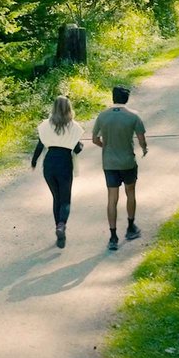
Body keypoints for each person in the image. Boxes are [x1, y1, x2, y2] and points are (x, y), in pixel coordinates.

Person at [91, 85, 147, 250]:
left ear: (113, 97)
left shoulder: (102, 116)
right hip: (127, 162)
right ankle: (130, 227)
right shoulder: (133, 116)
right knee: (130, 193)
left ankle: (113, 236)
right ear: (126, 99)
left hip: (109, 163)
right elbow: (141, 139)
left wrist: (106, 147)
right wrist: (144, 149)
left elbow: (94, 139)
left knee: (112, 198)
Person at [30, 95, 86, 248]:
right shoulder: (73, 126)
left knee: (56, 197)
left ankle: (58, 229)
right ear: (69, 108)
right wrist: (80, 146)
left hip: (49, 164)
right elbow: (77, 149)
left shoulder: (45, 125)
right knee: (65, 199)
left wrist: (34, 162)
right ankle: (61, 225)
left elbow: (40, 145)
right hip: (64, 163)